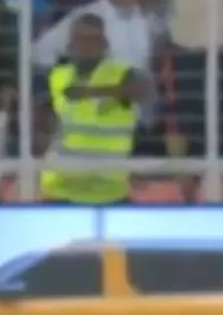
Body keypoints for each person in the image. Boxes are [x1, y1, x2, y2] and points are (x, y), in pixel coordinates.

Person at [44, 13, 151, 204]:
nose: (86, 45)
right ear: (70, 44)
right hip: (62, 190)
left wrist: (92, 92)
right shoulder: (58, 76)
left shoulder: (122, 74)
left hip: (108, 191)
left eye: (92, 39)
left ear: (105, 44)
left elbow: (142, 90)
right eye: (80, 39)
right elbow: (44, 120)